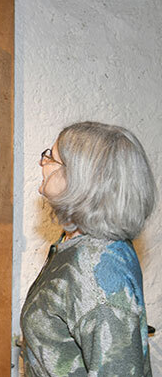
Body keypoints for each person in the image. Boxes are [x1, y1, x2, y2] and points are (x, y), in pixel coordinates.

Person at [21, 121, 156, 376]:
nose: (43, 163)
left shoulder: (98, 270)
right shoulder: (75, 246)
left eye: (51, 157)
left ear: (80, 179)